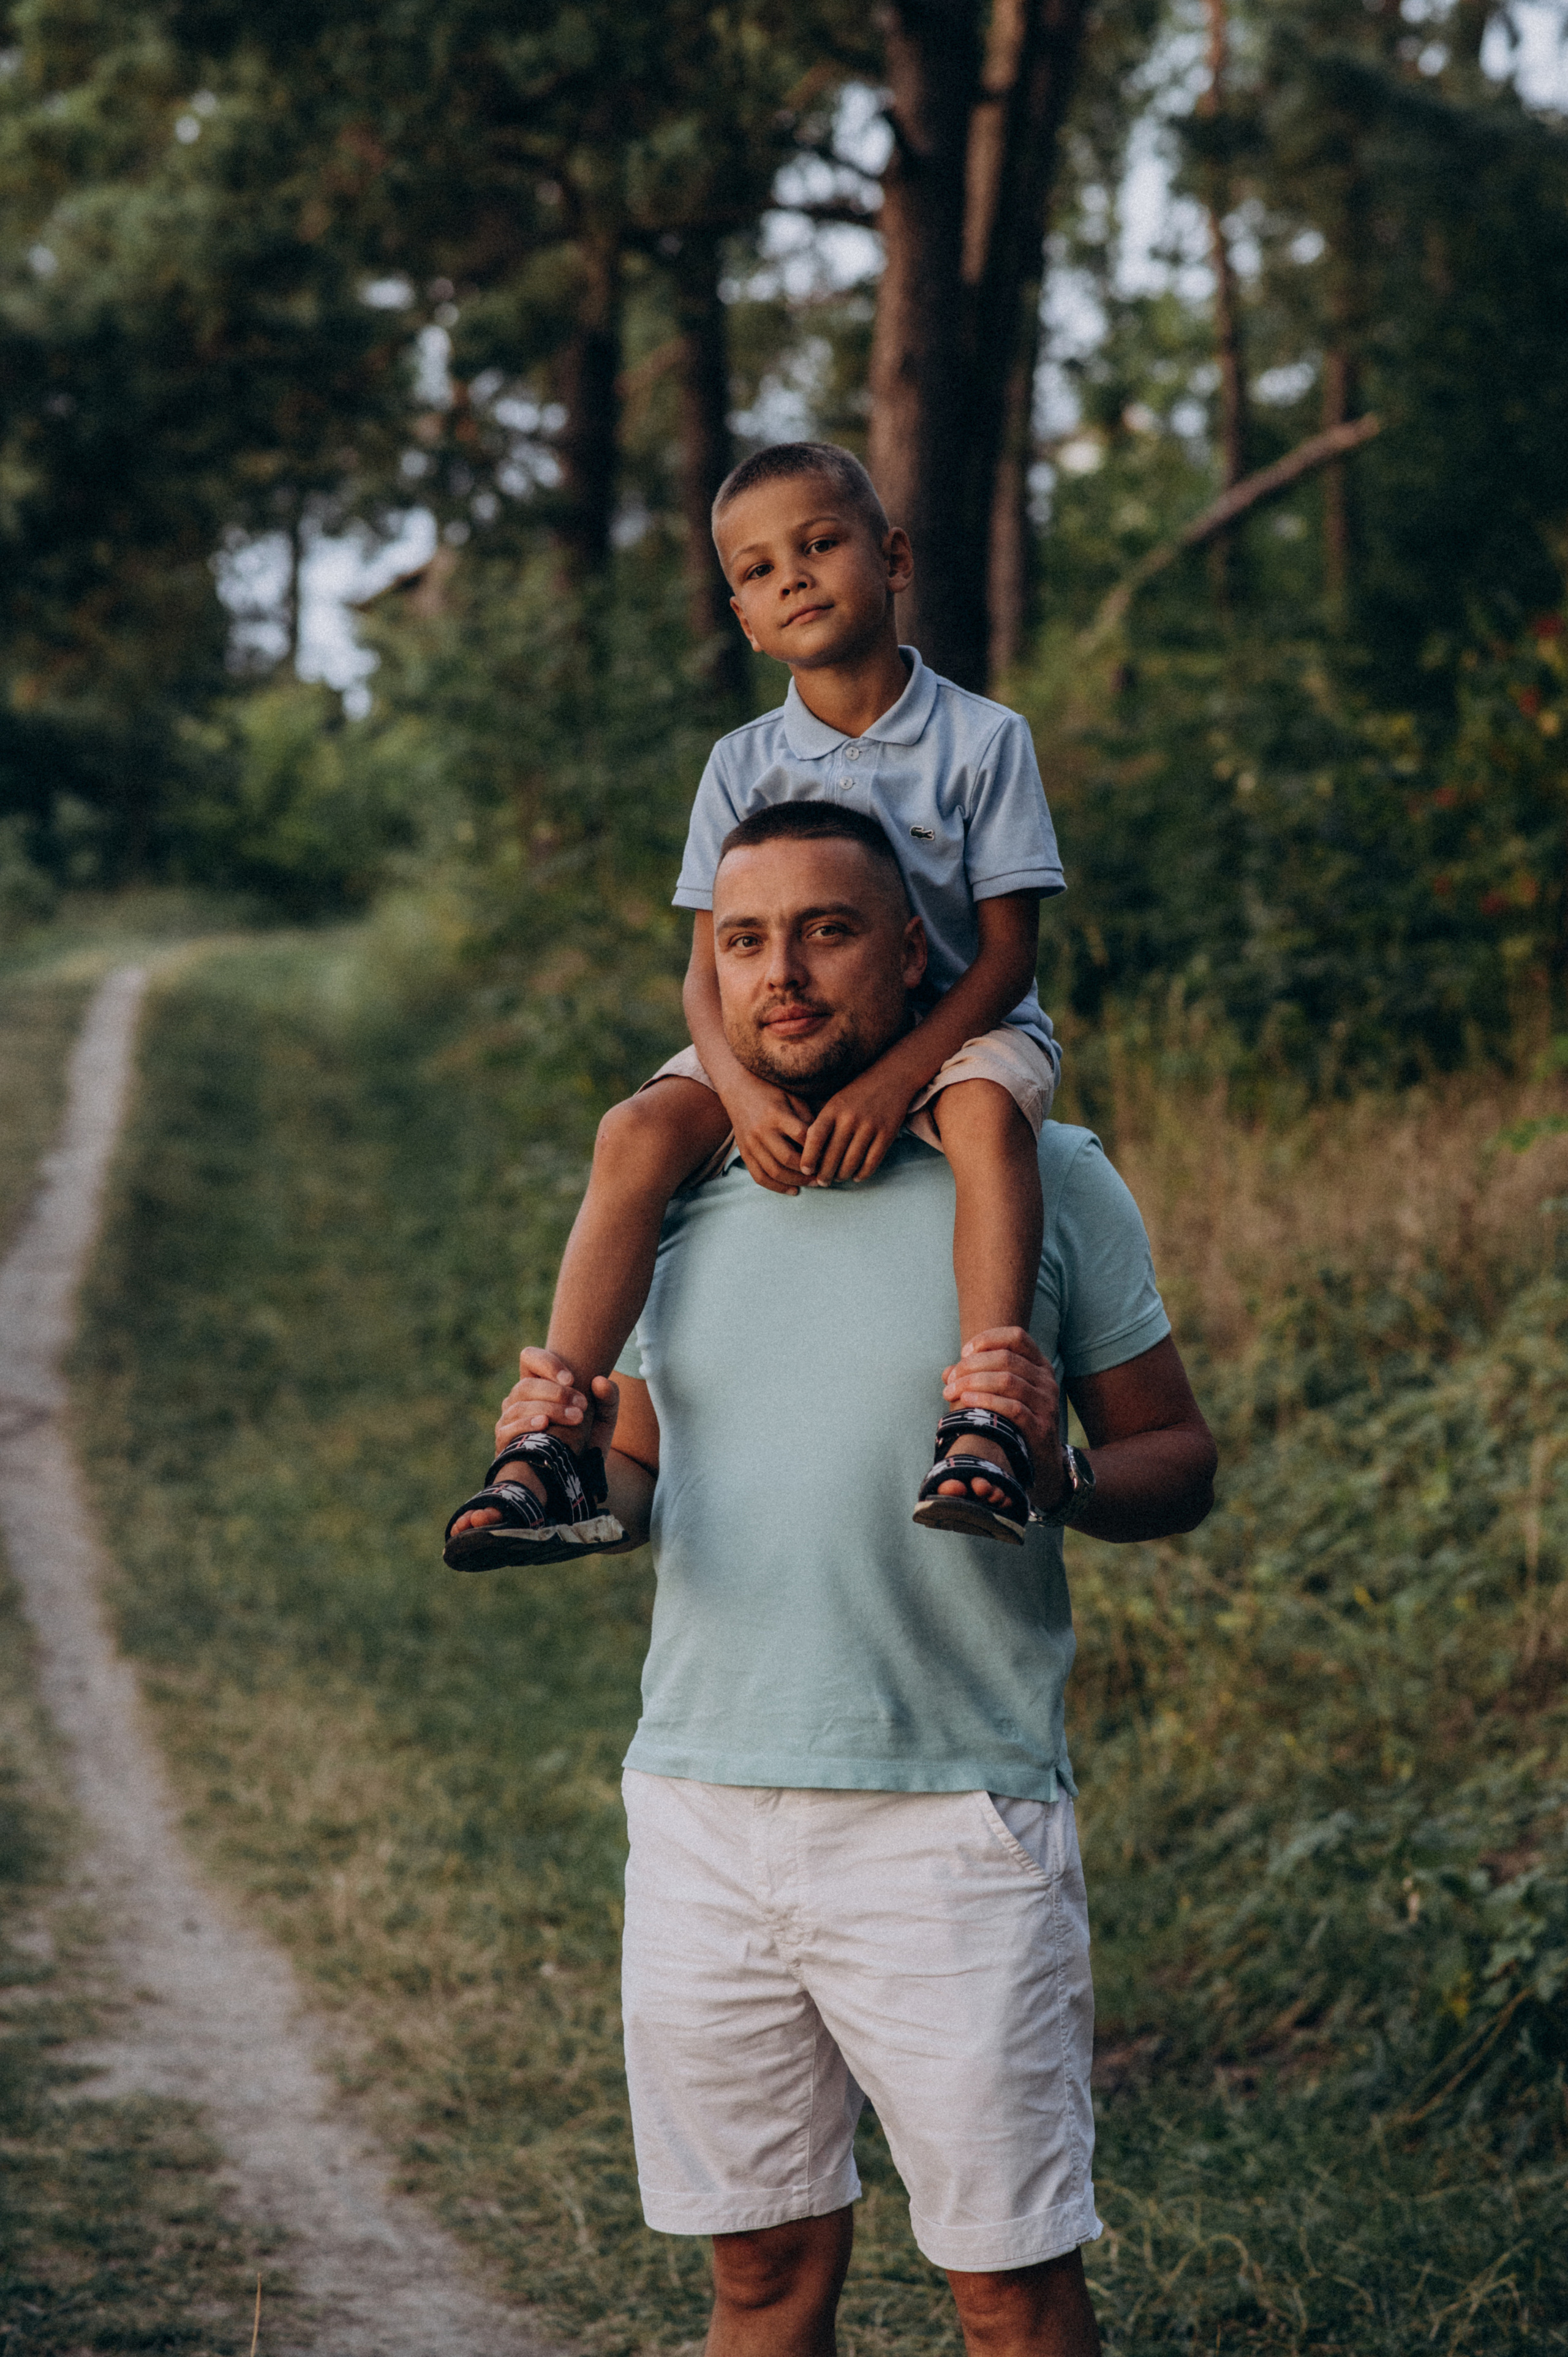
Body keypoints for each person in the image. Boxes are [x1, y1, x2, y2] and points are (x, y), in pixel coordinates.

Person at [478, 806, 1218, 2357]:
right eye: (744, 940)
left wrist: (1054, 1473)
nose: (782, 974)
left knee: (1006, 2290)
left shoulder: (1040, 1178)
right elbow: (632, 1498)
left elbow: (1174, 1458)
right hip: (699, 1809)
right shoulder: (675, 1198)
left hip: (952, 1820)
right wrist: (550, 1476)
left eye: (824, 930)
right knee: (758, 2277)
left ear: (909, 954)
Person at [443, 441, 1065, 1570]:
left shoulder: (984, 740)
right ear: (743, 615)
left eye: (821, 545)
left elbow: (1009, 957)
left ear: (894, 556)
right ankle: (558, 1440)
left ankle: (985, 1420)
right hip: (774, 1050)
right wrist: (731, 1086)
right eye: (762, 568)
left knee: (986, 1120)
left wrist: (896, 1081)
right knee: (633, 1131)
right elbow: (702, 971)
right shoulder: (742, 764)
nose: (797, 577)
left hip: (960, 1032)